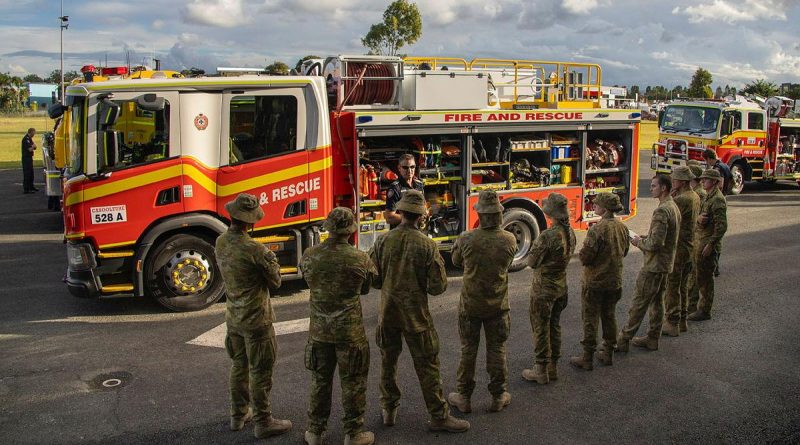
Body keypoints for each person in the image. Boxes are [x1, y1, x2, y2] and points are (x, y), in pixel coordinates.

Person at [368, 190, 469, 433]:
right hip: (416, 318)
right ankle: (438, 415)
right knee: (427, 365)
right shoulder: (426, 244)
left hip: (388, 315)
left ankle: (389, 411)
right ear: (421, 216)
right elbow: (438, 287)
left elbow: (374, 280)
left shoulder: (382, 241)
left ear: (400, 212)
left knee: (388, 364)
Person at [215, 193, 291, 439]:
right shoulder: (256, 249)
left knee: (239, 366)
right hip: (257, 318)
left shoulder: (221, 242)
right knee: (260, 371)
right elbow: (276, 282)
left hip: (234, 316)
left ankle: (238, 415)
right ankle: (263, 421)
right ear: (251, 222)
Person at [300, 207, 377, 445]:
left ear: (328, 228)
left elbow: (308, 280)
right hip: (350, 332)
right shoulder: (360, 258)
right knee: (353, 382)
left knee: (320, 381)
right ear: (350, 230)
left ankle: (314, 431)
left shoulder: (310, 255)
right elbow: (366, 288)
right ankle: (353, 433)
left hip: (319, 332)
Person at [447, 190, 517, 413]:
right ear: (499, 214)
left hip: (471, 304)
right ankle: (498, 395)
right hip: (498, 305)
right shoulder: (509, 239)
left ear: (481, 214)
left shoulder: (467, 238)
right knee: (497, 349)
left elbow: (457, 261)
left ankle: (464, 396)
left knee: (468, 349)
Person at [617, 175, 680, 352]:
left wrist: (638, 242)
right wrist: (645, 237)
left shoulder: (661, 211)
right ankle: (653, 338)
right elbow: (663, 237)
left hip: (654, 265)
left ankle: (623, 339)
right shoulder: (672, 206)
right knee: (657, 302)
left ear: (664, 188)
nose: (651, 188)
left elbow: (655, 244)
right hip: (665, 263)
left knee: (639, 302)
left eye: (654, 186)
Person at [569, 192, 629, 371]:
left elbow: (586, 257)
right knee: (609, 316)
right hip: (614, 281)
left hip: (595, 282)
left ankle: (587, 357)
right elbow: (625, 251)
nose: (593, 206)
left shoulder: (597, 229)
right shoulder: (622, 227)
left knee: (590, 318)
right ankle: (608, 352)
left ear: (604, 208)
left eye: (597, 204)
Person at [522, 193, 576, 384]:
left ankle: (540, 369)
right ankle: (553, 367)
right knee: (554, 326)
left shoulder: (549, 235)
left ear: (550, 214)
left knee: (540, 328)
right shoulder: (570, 232)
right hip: (561, 286)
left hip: (544, 289)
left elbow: (532, 262)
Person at [663, 167, 700, 336]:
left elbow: (670, 222)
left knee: (673, 286)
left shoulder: (681, 199)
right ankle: (683, 320)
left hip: (678, 247)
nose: (672, 182)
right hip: (689, 245)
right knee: (683, 286)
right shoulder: (695, 196)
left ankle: (672, 322)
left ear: (682, 182)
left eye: (675, 180)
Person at [688, 169, 728, 321]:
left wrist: (711, 244)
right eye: (703, 179)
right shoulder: (708, 196)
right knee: (697, 275)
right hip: (701, 240)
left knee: (705, 279)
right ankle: (693, 306)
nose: (703, 181)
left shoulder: (717, 199)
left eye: (707, 179)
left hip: (707, 243)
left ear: (715, 182)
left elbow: (722, 226)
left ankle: (704, 310)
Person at [686, 161, 706, 315]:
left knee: (693, 273)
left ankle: (691, 305)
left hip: (697, 236)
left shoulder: (700, 193)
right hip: (693, 235)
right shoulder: (695, 191)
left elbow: (701, 217)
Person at [383, 153, 424, 228]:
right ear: (399, 168)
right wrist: (412, 219)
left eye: (412, 167)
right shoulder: (395, 188)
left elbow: (423, 207)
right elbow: (389, 218)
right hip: (400, 234)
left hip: (416, 232)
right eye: (405, 167)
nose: (409, 170)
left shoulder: (419, 185)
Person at [21, 128, 38, 194]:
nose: (34, 134)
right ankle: (26, 189)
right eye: (34, 133)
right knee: (27, 174)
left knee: (31, 173)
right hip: (26, 159)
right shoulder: (26, 139)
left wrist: (33, 147)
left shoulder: (29, 138)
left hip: (29, 158)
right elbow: (30, 149)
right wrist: (33, 147)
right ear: (30, 132)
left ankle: (31, 187)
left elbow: (35, 147)